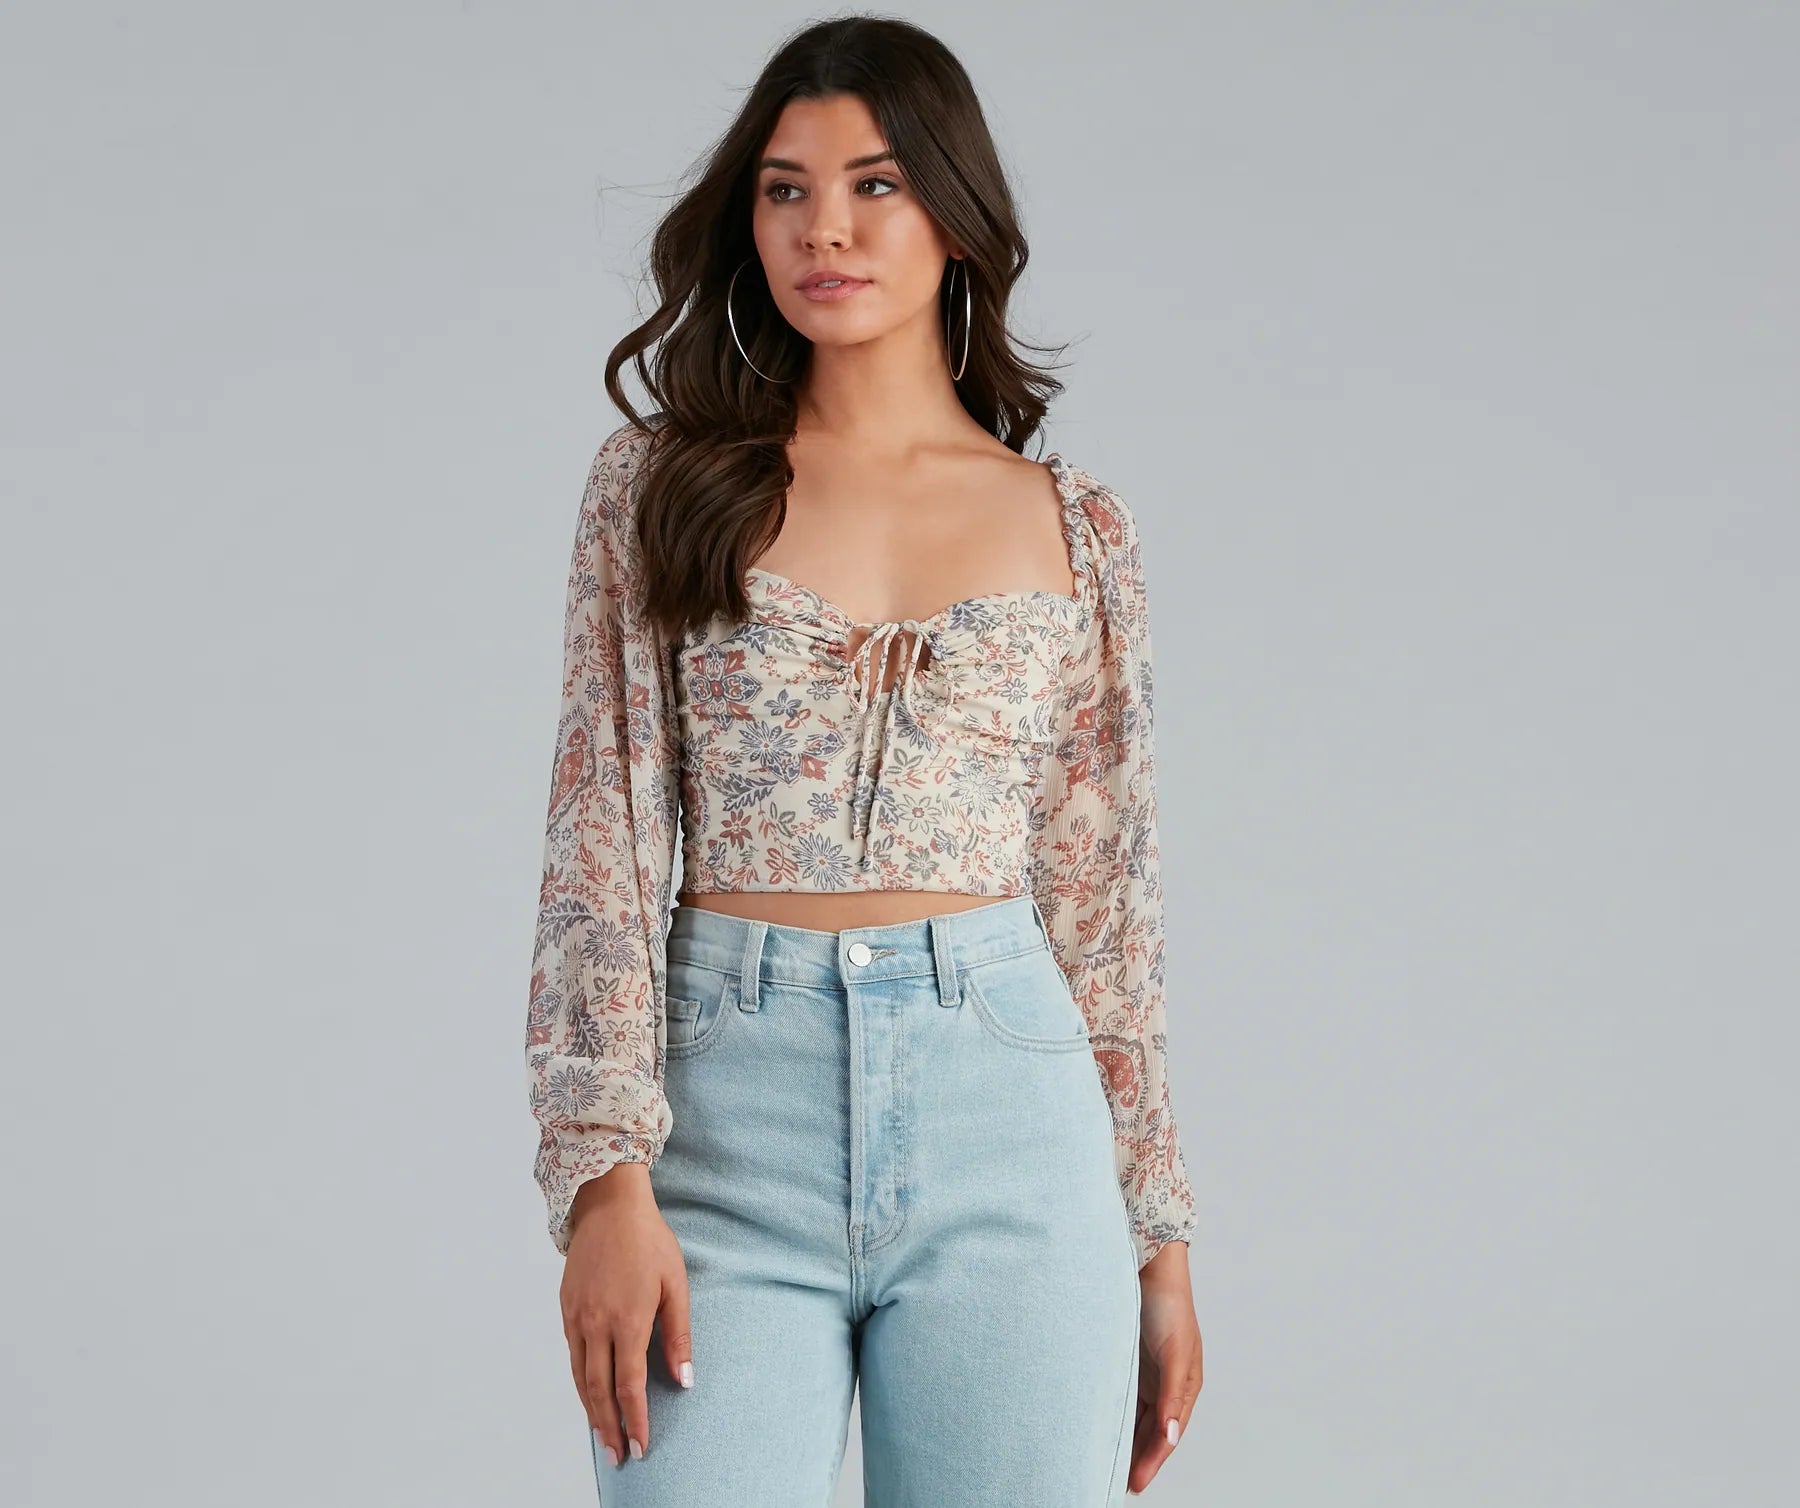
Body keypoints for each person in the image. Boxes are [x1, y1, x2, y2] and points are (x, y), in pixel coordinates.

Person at [526, 15, 1203, 1503]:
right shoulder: (661, 485)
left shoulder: (1077, 528)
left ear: (955, 214)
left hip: (1010, 1119)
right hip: (724, 1124)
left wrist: (1157, 1240)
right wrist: (603, 1178)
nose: (822, 227)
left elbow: (1106, 901)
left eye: (873, 184)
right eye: (785, 189)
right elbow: (601, 842)